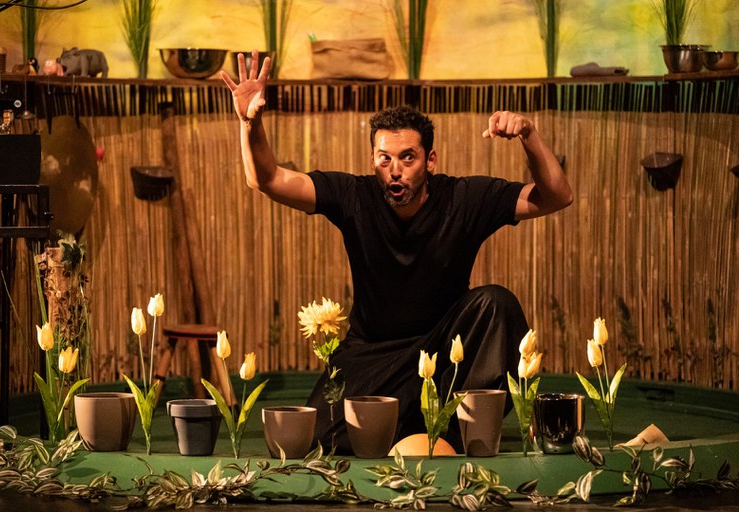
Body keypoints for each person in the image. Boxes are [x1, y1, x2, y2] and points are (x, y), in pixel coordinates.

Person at [221, 51, 573, 453]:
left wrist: (529, 134)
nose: (395, 169)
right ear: (373, 160)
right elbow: (266, 179)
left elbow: (557, 196)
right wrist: (250, 123)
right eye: (384, 158)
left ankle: (455, 431)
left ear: (430, 160)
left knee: (496, 303)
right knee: (315, 441)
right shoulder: (354, 196)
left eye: (408, 157)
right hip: (372, 354)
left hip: (443, 350)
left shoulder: (464, 198)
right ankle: (412, 422)